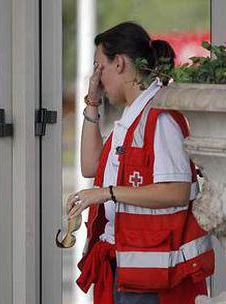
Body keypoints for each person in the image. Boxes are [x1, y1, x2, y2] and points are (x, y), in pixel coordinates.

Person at [67, 22, 214, 304]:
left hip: (154, 279)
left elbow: (177, 191)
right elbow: (90, 166)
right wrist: (92, 102)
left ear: (119, 63)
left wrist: (106, 193)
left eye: (100, 67)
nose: (97, 77)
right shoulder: (133, 118)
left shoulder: (159, 117)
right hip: (129, 267)